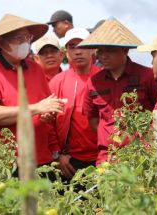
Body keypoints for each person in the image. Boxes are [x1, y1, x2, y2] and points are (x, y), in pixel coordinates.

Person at [0, 14, 65, 168]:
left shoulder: (35, 68)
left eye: (27, 37)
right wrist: (36, 108)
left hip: (41, 158)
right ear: (2, 42)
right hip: (8, 163)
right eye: (19, 38)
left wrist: (46, 114)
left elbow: (45, 107)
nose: (25, 42)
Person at [79, 18, 157, 165]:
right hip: (107, 157)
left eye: (109, 50)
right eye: (100, 51)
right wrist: (108, 135)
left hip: (141, 155)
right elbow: (92, 119)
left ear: (125, 50)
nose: (103, 56)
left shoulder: (147, 76)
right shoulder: (93, 82)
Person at [49, 28, 100, 179]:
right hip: (69, 162)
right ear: (66, 52)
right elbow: (48, 122)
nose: (78, 51)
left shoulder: (104, 79)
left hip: (101, 159)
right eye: (72, 47)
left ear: (93, 50)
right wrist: (58, 154)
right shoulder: (57, 82)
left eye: (83, 45)